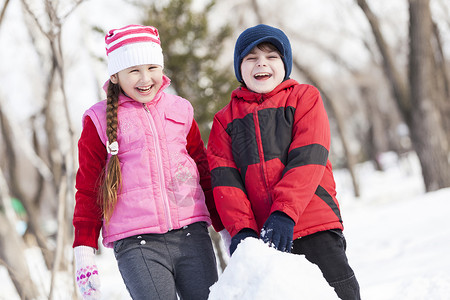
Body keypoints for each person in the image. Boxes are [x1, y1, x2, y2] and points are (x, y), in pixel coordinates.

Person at [206, 24, 361, 300]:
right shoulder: (225, 120)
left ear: (285, 63)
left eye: (271, 56)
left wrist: (285, 212)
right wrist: (242, 230)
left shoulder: (304, 98)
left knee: (340, 293)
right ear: (239, 68)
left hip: (314, 224)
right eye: (251, 58)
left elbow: (308, 157)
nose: (261, 63)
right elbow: (225, 180)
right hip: (264, 239)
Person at [72, 24, 224, 300]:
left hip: (192, 234)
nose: (146, 78)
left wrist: (223, 228)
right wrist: (84, 251)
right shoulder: (97, 120)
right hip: (136, 243)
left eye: (152, 67)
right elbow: (88, 187)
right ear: (116, 76)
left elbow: (203, 171)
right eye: (134, 70)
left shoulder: (180, 109)